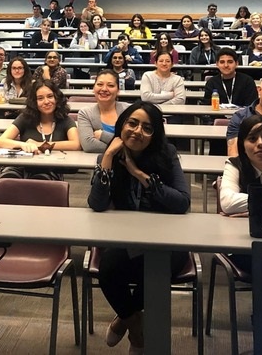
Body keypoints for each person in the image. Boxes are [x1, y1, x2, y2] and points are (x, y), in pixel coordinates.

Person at [87, 102, 190, 353]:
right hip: (126, 238)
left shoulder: (167, 154)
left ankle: (124, 319)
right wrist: (109, 157)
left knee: (156, 269)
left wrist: (138, 174)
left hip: (166, 240)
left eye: (147, 127)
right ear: (122, 125)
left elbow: (182, 202)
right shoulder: (108, 156)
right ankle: (136, 326)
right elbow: (97, 204)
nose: (137, 131)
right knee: (108, 268)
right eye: (132, 123)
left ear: (155, 134)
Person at [0, 80, 80, 179]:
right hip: (24, 167)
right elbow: (0, 141)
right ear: (34, 102)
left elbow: (76, 144)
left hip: (51, 170)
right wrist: (23, 145)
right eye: (40, 98)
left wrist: (39, 145)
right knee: (7, 179)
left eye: (50, 96)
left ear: (57, 98)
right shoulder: (25, 118)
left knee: (40, 179)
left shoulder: (65, 120)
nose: (46, 102)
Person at [77, 69, 130, 152]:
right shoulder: (85, 113)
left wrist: (103, 135)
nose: (104, 89)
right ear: (93, 88)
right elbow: (88, 145)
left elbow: (133, 143)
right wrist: (123, 148)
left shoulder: (129, 110)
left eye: (111, 85)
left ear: (118, 90)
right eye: (100, 84)